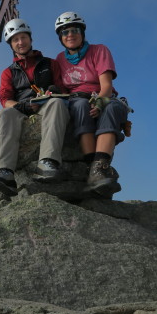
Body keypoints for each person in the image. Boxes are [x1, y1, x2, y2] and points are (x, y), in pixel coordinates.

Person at [0, 18, 70, 197]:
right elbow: (5, 98)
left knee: (57, 103)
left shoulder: (50, 63)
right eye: (15, 40)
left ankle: (47, 161)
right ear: (11, 45)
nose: (20, 42)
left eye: (23, 37)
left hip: (47, 103)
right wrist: (22, 106)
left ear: (30, 39)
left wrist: (54, 92)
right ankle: (5, 172)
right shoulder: (9, 72)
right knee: (3, 114)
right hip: (21, 107)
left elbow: (61, 88)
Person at [53, 11, 129, 197]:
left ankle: (99, 167)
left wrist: (100, 103)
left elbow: (107, 86)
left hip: (102, 95)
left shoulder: (99, 50)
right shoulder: (60, 60)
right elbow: (62, 91)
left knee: (112, 107)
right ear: (60, 37)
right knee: (79, 105)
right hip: (76, 99)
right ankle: (91, 167)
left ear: (82, 32)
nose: (70, 35)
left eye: (74, 30)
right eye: (64, 32)